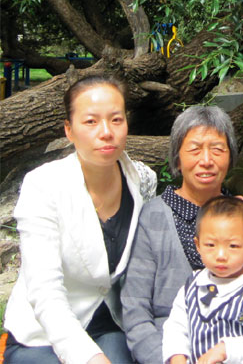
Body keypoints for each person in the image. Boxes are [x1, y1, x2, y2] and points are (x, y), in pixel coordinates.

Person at [3, 75, 157, 364]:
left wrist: (231, 208)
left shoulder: (142, 179)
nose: (106, 132)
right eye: (91, 121)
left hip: (108, 323)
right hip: (43, 333)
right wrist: (88, 357)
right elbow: (44, 289)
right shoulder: (43, 185)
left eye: (116, 120)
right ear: (69, 130)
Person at [121, 105, 243, 364]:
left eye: (217, 149)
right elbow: (135, 312)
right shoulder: (152, 217)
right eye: (194, 149)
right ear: (177, 158)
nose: (206, 160)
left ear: (230, 157)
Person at [162, 195, 243, 364]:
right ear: (198, 245)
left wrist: (225, 350)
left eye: (233, 246)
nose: (221, 255)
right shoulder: (191, 287)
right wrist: (177, 357)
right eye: (210, 245)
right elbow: (175, 327)